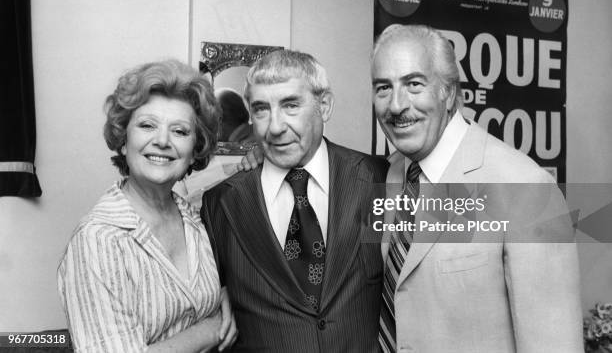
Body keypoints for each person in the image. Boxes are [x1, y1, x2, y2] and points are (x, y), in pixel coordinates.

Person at [372, 24, 582, 352]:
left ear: (450, 93)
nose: (396, 105)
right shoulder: (387, 175)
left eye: (414, 84)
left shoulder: (526, 188)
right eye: (383, 87)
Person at [201, 50, 388, 352]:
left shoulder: (380, 179)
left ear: (324, 106)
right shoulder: (221, 203)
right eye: (261, 109)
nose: (275, 127)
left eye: (290, 105)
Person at [58, 60, 237, 352]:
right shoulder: (98, 240)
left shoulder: (196, 219)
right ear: (124, 140)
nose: (162, 141)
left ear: (195, 150)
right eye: (147, 125)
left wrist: (228, 295)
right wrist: (208, 331)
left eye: (179, 131)